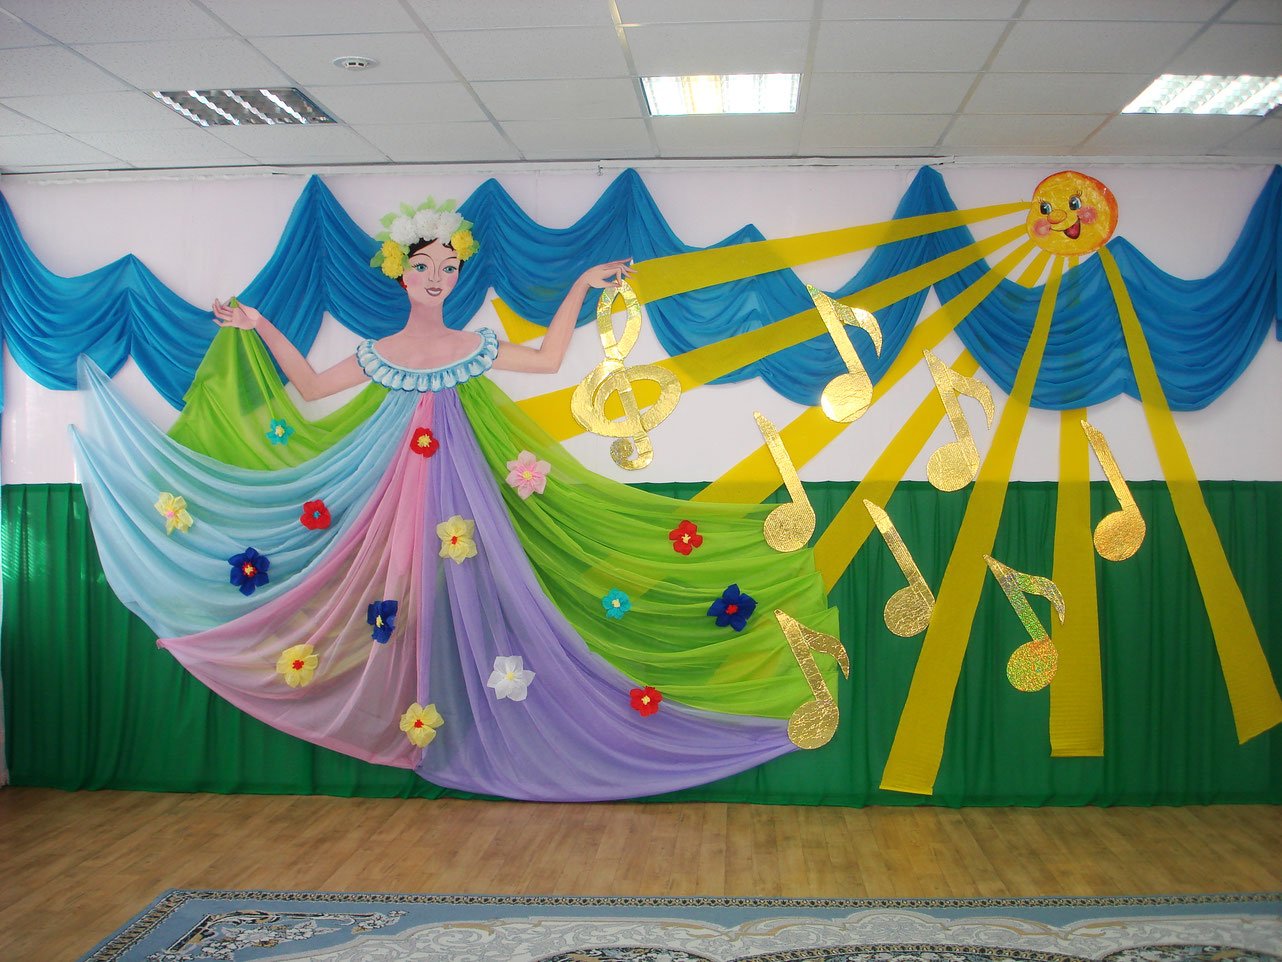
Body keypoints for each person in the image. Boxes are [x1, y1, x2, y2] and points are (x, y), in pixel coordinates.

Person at [72, 198, 840, 802]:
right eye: (424, 267)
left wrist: (578, 286)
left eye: (447, 266)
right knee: (401, 608)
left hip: (472, 506)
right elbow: (307, 385)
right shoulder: (382, 353)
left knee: (498, 606)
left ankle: (482, 738)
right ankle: (422, 729)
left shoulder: (473, 345)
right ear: (401, 277)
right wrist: (260, 323)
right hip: (396, 505)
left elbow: (548, 359)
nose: (436, 277)